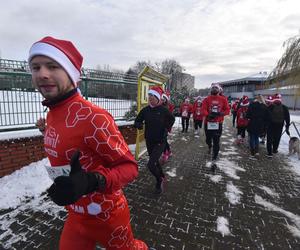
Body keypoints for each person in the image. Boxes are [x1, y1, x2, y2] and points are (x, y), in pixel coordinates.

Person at [29, 36, 147, 250]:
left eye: (52, 66)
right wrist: (44, 130)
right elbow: (70, 139)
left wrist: (91, 181)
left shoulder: (94, 117)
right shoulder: (53, 113)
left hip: (108, 216)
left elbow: (130, 167)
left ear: (71, 74)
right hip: (76, 215)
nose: (42, 74)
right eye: (35, 67)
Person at [134, 86, 175, 194]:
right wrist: (138, 124)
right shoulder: (145, 110)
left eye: (153, 96)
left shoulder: (163, 110)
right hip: (149, 140)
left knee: (151, 164)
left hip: (160, 141)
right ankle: (161, 175)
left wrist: (166, 128)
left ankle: (159, 180)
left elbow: (172, 119)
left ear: (158, 98)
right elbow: (137, 120)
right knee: (155, 161)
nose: (150, 98)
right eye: (149, 96)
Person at [201, 83, 230, 164]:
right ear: (211, 90)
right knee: (208, 139)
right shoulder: (207, 99)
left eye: (216, 88)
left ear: (219, 90)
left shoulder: (223, 99)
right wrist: (208, 115)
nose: (214, 89)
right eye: (213, 88)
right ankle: (209, 146)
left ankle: (214, 157)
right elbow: (203, 109)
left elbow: (227, 110)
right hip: (208, 123)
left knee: (216, 141)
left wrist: (221, 113)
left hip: (218, 123)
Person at [266, 93, 290, 158]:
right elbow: (287, 118)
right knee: (277, 138)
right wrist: (287, 126)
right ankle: (274, 150)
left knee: (269, 139)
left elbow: (266, 116)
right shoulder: (284, 107)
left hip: (271, 125)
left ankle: (269, 153)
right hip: (280, 125)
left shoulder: (270, 107)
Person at [161, 90, 175, 162]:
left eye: (164, 98)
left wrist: (168, 127)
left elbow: (171, 118)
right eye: (161, 98)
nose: (162, 99)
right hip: (160, 126)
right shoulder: (159, 105)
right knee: (164, 140)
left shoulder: (168, 107)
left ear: (166, 99)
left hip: (165, 126)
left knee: (163, 140)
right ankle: (168, 151)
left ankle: (165, 153)